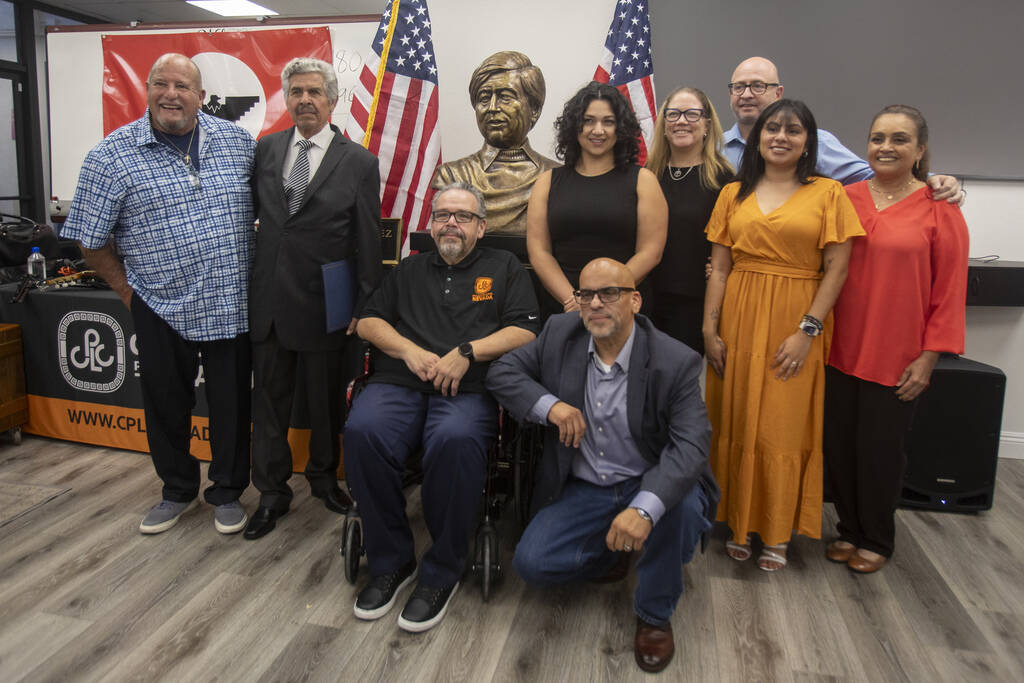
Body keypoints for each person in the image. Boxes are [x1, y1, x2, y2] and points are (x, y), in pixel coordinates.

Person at [486, 257, 718, 674]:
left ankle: (654, 614)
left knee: (677, 511)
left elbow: (690, 446)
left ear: (634, 300)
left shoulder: (674, 360)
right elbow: (504, 371)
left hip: (648, 478)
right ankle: (616, 551)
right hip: (586, 486)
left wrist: (644, 508)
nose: (595, 303)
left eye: (609, 293)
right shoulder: (560, 333)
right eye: (586, 294)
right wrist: (550, 406)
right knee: (532, 563)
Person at [62, 53, 255, 535]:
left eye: (183, 86)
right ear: (146, 90)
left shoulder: (238, 143)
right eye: (162, 84)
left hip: (231, 302)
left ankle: (228, 491)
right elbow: (90, 238)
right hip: (159, 305)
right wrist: (129, 293)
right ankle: (176, 490)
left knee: (232, 406)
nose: (172, 94)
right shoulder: (110, 155)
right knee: (167, 404)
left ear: (201, 96)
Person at [344, 183, 539, 633]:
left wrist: (468, 351)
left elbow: (526, 331)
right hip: (401, 381)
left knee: (455, 441)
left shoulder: (504, 267)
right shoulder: (409, 270)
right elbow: (370, 321)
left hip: (468, 387)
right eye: (442, 215)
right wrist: (409, 351)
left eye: (463, 216)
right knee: (363, 431)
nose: (451, 223)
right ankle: (391, 562)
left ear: (481, 226)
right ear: (430, 225)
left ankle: (441, 571)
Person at [702, 99, 865, 571]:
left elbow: (837, 268)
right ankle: (735, 521)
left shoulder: (829, 193)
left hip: (797, 318)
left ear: (808, 142)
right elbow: (719, 268)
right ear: (757, 137)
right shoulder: (732, 193)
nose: (780, 137)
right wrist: (709, 329)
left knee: (782, 425)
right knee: (733, 419)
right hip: (738, 314)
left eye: (793, 130)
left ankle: (776, 530)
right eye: (772, 128)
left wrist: (807, 331)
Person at [824, 105, 968, 573]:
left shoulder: (940, 209)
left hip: (897, 354)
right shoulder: (842, 197)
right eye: (878, 137)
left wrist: (929, 358)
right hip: (838, 347)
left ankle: (877, 539)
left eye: (900, 139)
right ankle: (848, 529)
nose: (886, 147)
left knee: (881, 452)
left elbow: (949, 292)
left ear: (921, 149)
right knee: (840, 447)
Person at [244, 58, 384, 540]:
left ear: (332, 101)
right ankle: (271, 493)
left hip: (328, 304)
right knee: (268, 405)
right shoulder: (264, 150)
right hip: (269, 303)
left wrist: (364, 306)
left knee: (326, 402)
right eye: (296, 91)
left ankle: (324, 480)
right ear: (287, 99)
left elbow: (368, 240)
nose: (304, 99)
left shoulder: (360, 162)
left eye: (314, 92)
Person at [723, 57, 963, 202]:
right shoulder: (716, 146)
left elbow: (873, 175)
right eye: (738, 87)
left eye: (757, 86)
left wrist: (934, 181)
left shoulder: (813, 142)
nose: (746, 95)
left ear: (778, 93)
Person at [527, 81, 667, 317]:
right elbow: (539, 252)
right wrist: (574, 300)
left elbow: (650, 252)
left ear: (620, 128)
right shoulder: (547, 182)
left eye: (608, 122)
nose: (598, 130)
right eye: (588, 120)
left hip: (622, 306)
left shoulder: (644, 180)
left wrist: (605, 296)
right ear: (574, 126)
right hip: (564, 306)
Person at [645, 86, 734, 354]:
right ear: (663, 125)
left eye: (692, 114)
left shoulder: (725, 180)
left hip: (695, 304)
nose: (681, 121)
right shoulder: (646, 176)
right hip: (645, 299)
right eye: (673, 114)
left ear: (707, 124)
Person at [431, 51, 559, 235]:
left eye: (505, 97)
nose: (492, 108)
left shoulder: (556, 178)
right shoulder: (450, 175)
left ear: (534, 109)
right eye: (483, 98)